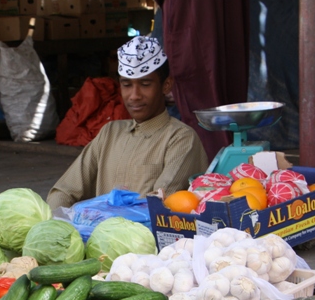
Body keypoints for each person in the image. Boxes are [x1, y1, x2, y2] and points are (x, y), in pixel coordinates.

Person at [46, 36, 208, 210]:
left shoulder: (181, 138)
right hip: (96, 233)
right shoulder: (110, 132)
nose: (134, 95)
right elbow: (63, 191)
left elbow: (157, 207)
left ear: (166, 85)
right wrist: (60, 223)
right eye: (127, 85)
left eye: (145, 84)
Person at [152, 0, 250, 160]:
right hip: (224, 7)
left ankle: (215, 175)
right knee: (227, 95)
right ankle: (233, 169)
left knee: (200, 101)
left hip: (192, 8)